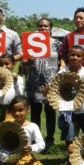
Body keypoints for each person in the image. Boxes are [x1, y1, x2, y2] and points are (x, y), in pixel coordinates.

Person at [24, 18, 61, 152]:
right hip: (34, 83)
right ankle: (36, 140)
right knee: (35, 113)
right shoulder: (31, 42)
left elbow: (61, 62)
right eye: (40, 26)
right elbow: (25, 63)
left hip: (51, 83)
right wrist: (29, 60)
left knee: (51, 112)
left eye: (46, 26)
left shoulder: (57, 44)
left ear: (51, 28)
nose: (43, 28)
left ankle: (50, 139)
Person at [49, 45, 84, 148]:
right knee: (69, 137)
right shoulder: (62, 72)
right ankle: (70, 158)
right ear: (68, 56)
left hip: (82, 110)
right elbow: (53, 88)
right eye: (72, 55)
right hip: (66, 110)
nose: (75, 57)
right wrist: (47, 91)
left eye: (78, 56)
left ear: (83, 58)